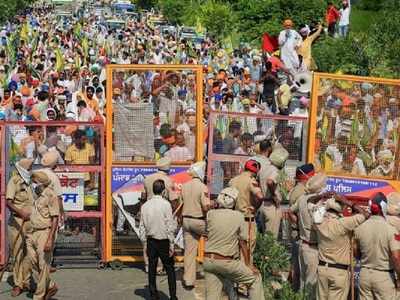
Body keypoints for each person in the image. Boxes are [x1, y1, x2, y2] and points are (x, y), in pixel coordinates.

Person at [203, 187, 265, 300]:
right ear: (234, 202)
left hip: (208, 261)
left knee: (212, 296)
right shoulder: (239, 216)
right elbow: (243, 242)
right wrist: (248, 264)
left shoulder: (210, 214)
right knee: (255, 279)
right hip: (226, 262)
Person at [314, 194, 368, 300]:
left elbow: (312, 205)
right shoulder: (343, 223)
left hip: (322, 269)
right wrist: (347, 202)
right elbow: (366, 214)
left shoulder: (318, 222)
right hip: (339, 272)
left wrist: (323, 199)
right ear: (341, 209)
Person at [290, 173, 331, 297]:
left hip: (303, 244)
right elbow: (321, 224)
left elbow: (290, 211)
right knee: (311, 285)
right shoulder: (319, 203)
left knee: (303, 282)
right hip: (313, 248)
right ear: (321, 188)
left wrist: (297, 226)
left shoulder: (303, 198)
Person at [354, 192, 400, 300]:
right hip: (384, 276)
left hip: (364, 274)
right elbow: (396, 258)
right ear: (384, 207)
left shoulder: (360, 228)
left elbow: (356, 253)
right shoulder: (391, 230)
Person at [139, 180, 178, 300]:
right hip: (164, 240)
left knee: (152, 268)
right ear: (163, 191)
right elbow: (169, 225)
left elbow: (142, 226)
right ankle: (172, 296)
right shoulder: (166, 205)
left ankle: (153, 295)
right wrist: (172, 243)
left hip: (151, 240)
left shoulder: (145, 206)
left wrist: (144, 243)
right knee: (170, 268)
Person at [26, 171, 60, 300]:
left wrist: (50, 239)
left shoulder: (50, 195)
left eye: (34, 181)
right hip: (32, 232)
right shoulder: (36, 194)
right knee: (31, 261)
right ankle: (50, 285)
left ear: (40, 183)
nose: (32, 184)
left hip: (44, 232)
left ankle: (38, 296)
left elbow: (55, 218)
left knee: (43, 264)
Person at [6, 158, 34, 297]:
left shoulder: (30, 182)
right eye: (30, 167)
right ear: (24, 169)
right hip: (17, 223)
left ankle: (27, 281)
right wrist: (20, 212)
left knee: (29, 254)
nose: (32, 169)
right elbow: (8, 202)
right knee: (17, 254)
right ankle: (18, 284)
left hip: (30, 224)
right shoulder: (14, 181)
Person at [181, 161, 211, 289]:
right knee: (216, 238)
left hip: (186, 220)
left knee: (189, 252)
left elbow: (180, 203)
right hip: (199, 221)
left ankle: (188, 281)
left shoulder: (184, 186)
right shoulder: (203, 187)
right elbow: (205, 206)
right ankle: (215, 274)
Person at [259, 145, 289, 238]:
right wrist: (274, 196)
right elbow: (269, 182)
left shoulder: (264, 168)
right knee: (271, 239)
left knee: (265, 236)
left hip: (263, 204)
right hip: (272, 206)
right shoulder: (275, 171)